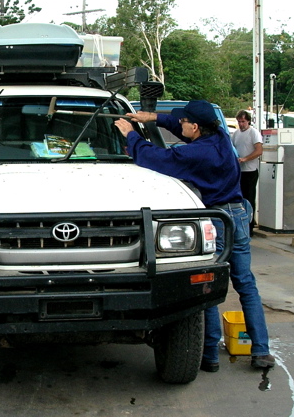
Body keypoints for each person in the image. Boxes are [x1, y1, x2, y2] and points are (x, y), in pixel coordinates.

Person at [113, 100, 275, 372]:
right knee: (245, 283)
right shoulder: (221, 137)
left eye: (185, 122)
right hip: (238, 214)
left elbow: (156, 157)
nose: (180, 125)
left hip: (217, 219)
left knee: (208, 287)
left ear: (195, 127)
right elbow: (175, 122)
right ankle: (261, 350)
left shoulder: (196, 154)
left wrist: (131, 133)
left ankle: (209, 355)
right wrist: (150, 117)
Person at [232, 110, 263, 233]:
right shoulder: (236, 134)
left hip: (250, 170)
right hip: (239, 171)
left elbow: (259, 150)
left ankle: (249, 227)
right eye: (239, 122)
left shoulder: (253, 133)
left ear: (248, 121)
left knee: (249, 198)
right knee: (240, 198)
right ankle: (241, 225)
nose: (241, 124)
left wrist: (245, 159)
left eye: (243, 121)